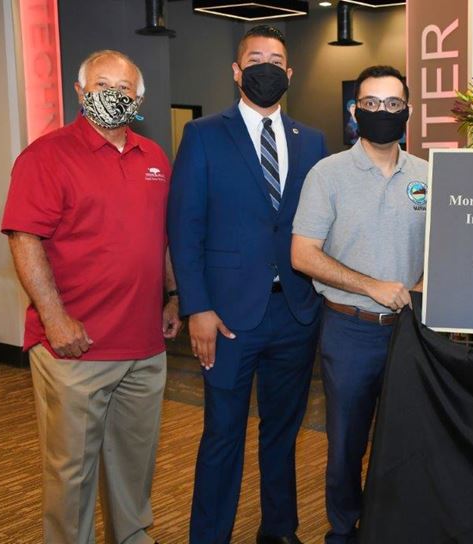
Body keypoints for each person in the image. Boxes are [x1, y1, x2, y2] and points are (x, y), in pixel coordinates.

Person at [1, 49, 182, 544]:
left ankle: (131, 535)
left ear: (139, 99)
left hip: (144, 347)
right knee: (71, 473)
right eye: (101, 85)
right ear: (80, 92)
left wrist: (171, 295)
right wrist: (54, 319)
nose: (113, 96)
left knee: (134, 462)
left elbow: (159, 236)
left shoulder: (155, 159)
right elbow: (24, 238)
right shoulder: (46, 156)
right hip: (74, 348)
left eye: (124, 89)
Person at [167, 25, 327, 544]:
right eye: (254, 58)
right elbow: (184, 228)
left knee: (283, 434)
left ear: (289, 73)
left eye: (275, 59)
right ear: (236, 72)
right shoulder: (204, 136)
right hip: (227, 317)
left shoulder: (314, 141)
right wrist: (198, 307)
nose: (266, 66)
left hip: (296, 314)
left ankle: (278, 531)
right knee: (222, 436)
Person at [291, 65, 428, 544]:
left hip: (411, 332)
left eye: (393, 104)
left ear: (407, 111)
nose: (382, 113)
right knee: (347, 443)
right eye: (371, 103)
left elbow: (442, 247)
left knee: (407, 438)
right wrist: (371, 285)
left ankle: (393, 528)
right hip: (350, 330)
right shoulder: (328, 174)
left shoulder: (427, 176)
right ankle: (345, 530)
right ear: (355, 111)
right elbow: (302, 253)